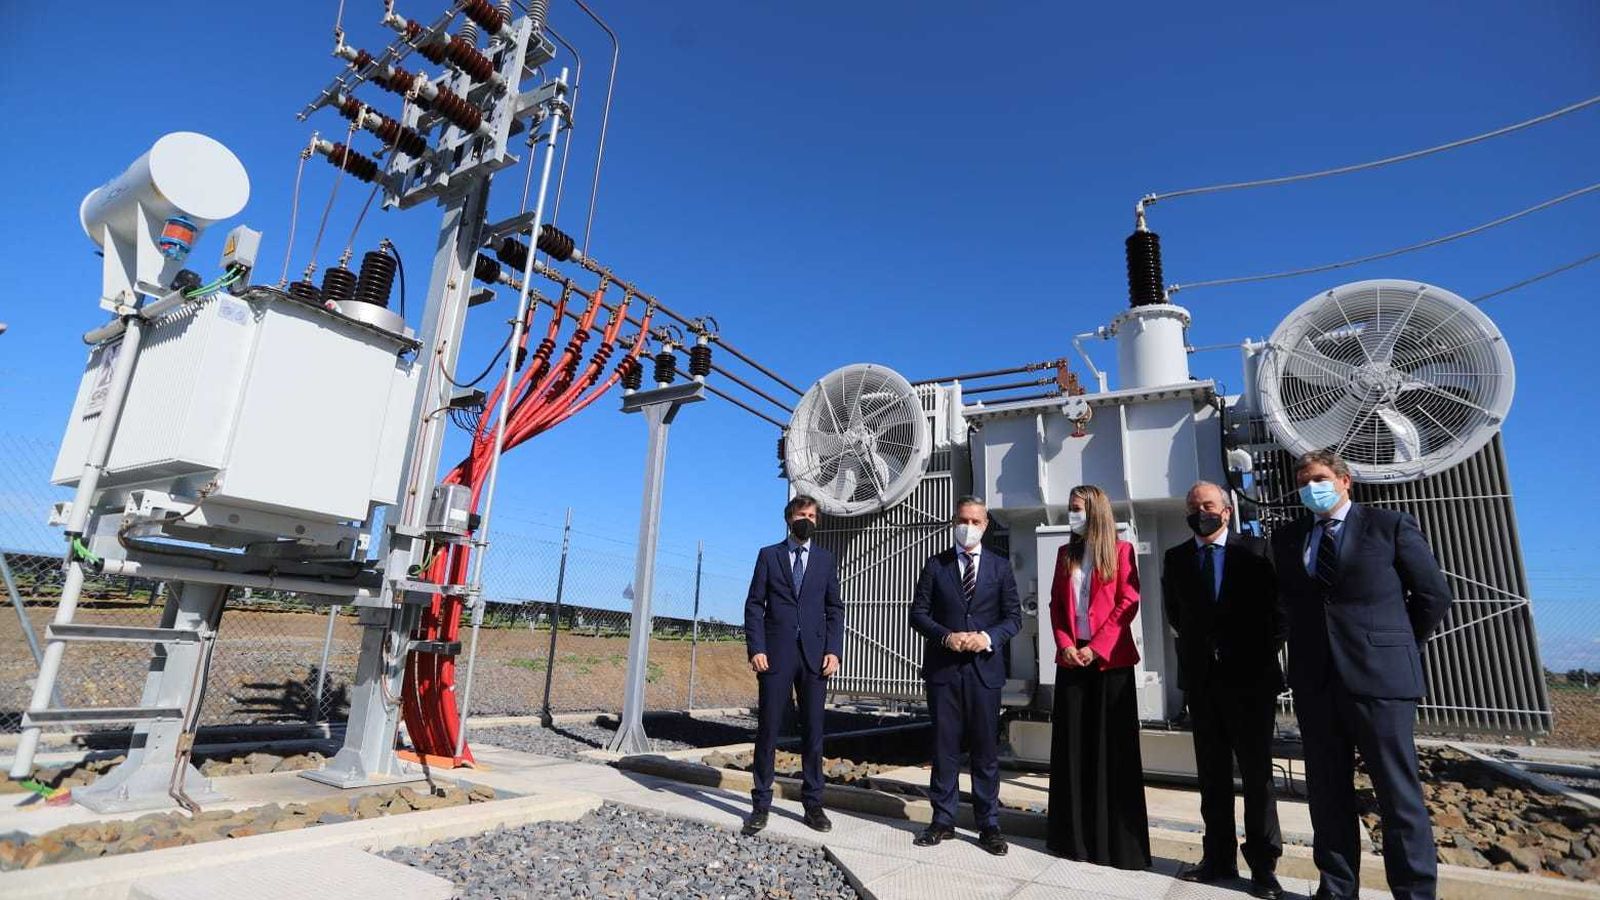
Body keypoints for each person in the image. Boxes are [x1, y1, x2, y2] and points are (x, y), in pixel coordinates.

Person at [1274, 450, 1452, 900]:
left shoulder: (1388, 526)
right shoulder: (1289, 538)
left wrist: (1394, 645)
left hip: (1380, 680)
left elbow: (1432, 595)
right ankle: (1336, 888)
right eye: (1302, 480)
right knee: (1327, 793)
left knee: (1397, 794)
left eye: (1317, 478)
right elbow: (1289, 606)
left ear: (1344, 480)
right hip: (1317, 681)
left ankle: (1414, 891)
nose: (1309, 487)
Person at [1162, 481, 1285, 899]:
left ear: (1227, 510)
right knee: (1212, 775)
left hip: (1251, 680)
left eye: (1208, 505)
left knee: (1256, 775)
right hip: (1202, 682)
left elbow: (1278, 612)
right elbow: (1175, 613)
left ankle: (1264, 865)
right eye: (1194, 506)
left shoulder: (1256, 551)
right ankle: (1217, 857)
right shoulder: (1176, 558)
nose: (1201, 512)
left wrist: (1255, 651)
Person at [908, 495, 1022, 855]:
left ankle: (988, 824)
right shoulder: (935, 566)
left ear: (985, 525)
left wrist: (987, 637)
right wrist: (946, 636)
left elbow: (1013, 618)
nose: (968, 526)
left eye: (975, 521)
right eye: (962, 520)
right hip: (944, 672)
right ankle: (943, 819)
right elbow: (918, 614)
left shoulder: (1000, 568)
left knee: (986, 751)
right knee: (944, 748)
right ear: (953, 522)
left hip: (984, 673)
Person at [1045, 484, 1151, 869]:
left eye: (1077, 508)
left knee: (1113, 752)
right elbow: (1057, 605)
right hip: (1072, 660)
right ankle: (1072, 839)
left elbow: (1128, 603)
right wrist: (1066, 643)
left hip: (1109, 662)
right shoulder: (1065, 555)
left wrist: (1098, 646)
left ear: (1095, 511)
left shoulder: (1121, 552)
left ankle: (1115, 846)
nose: (1072, 514)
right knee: (1073, 749)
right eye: (1070, 507)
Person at [742, 494, 844, 836]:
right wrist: (756, 648)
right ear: (789, 518)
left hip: (815, 658)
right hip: (776, 654)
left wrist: (834, 650)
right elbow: (755, 605)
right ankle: (760, 804)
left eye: (813, 516)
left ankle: (813, 805)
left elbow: (834, 609)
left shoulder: (825, 560)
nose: (808, 520)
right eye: (803, 514)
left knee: (813, 732)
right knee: (768, 729)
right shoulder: (769, 556)